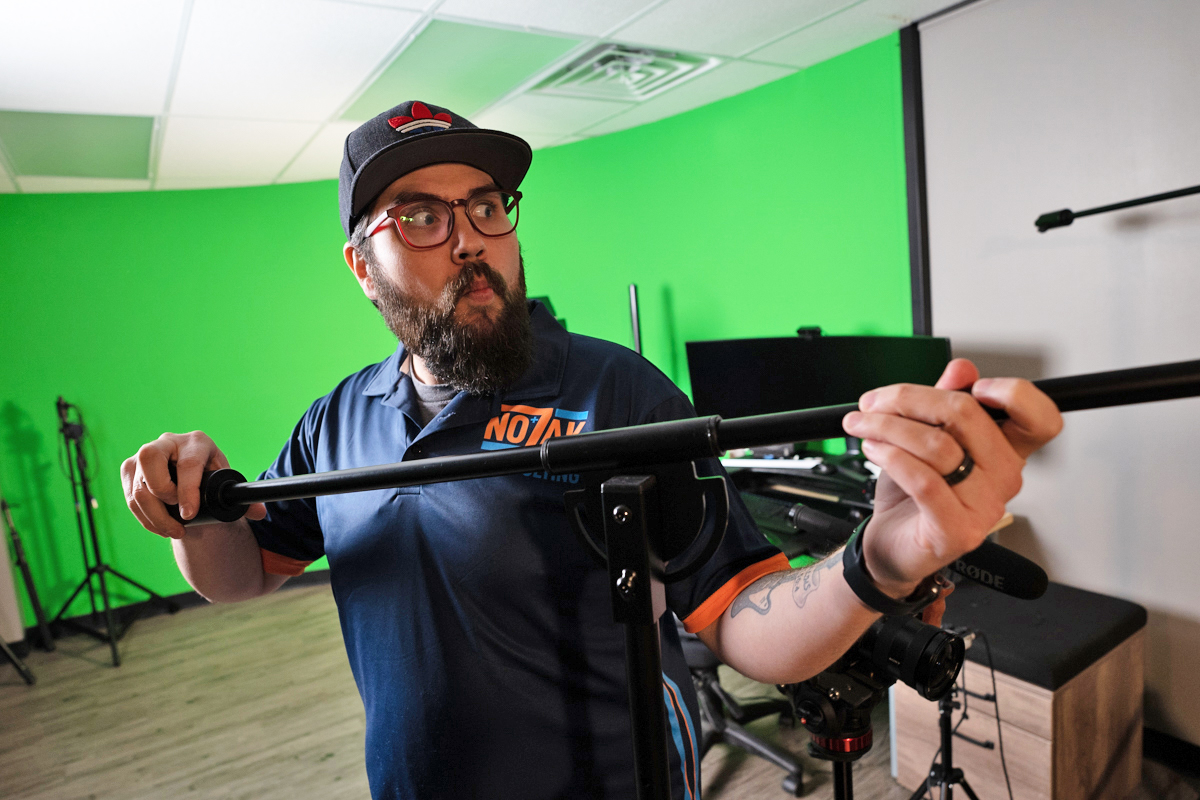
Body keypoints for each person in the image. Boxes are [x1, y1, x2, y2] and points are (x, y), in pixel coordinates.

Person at [121, 100, 1063, 799]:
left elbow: (745, 622)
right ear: (363, 265)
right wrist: (189, 513)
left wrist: (884, 556)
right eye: (421, 216)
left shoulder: (615, 392)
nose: (470, 240)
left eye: (487, 206)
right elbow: (241, 575)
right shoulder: (335, 421)